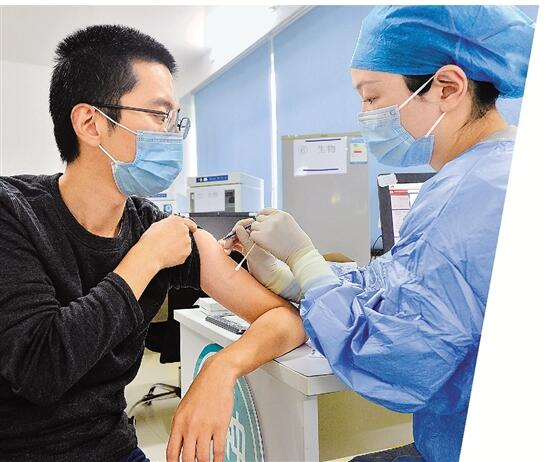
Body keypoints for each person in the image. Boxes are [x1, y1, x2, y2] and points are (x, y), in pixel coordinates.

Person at [223, 6, 534, 462]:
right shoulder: (493, 171)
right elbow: (396, 285)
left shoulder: (469, 194)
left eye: (371, 97)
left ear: (447, 88)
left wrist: (306, 260)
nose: (363, 114)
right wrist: (293, 278)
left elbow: (399, 360)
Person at [0, 25, 306, 462]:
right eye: (160, 116)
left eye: (176, 120)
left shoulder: (156, 227)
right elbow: (41, 369)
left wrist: (221, 366)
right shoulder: (13, 213)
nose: (173, 135)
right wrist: (145, 258)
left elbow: (284, 319)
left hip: (112, 448)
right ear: (90, 123)